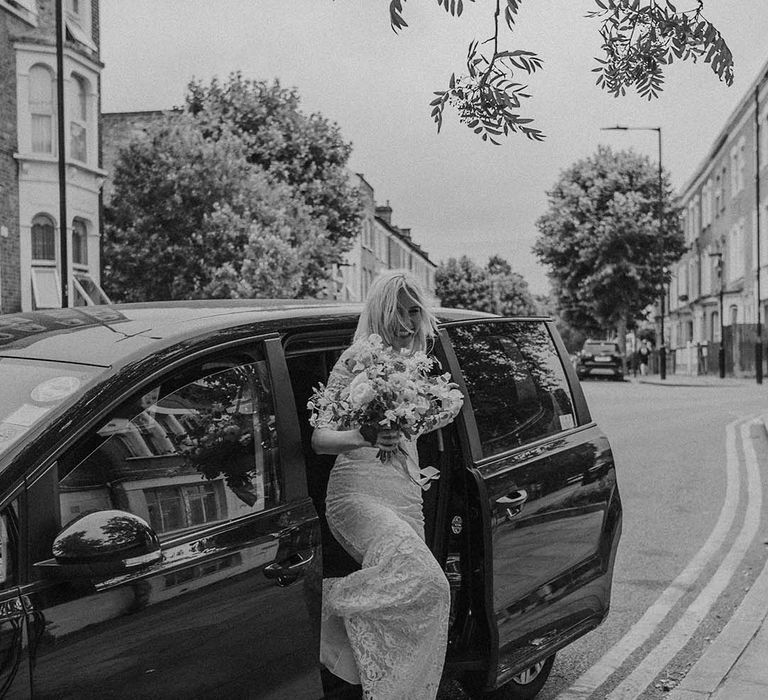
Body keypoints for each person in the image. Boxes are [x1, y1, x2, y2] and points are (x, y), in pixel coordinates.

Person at [311, 270, 456, 700]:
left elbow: (411, 430)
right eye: (402, 311)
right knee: (430, 583)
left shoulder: (415, 368)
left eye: (416, 311)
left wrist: (434, 412)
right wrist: (363, 435)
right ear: (383, 311)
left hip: (406, 493)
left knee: (414, 605)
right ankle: (324, 604)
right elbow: (320, 438)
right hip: (356, 492)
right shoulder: (356, 361)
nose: (410, 322)